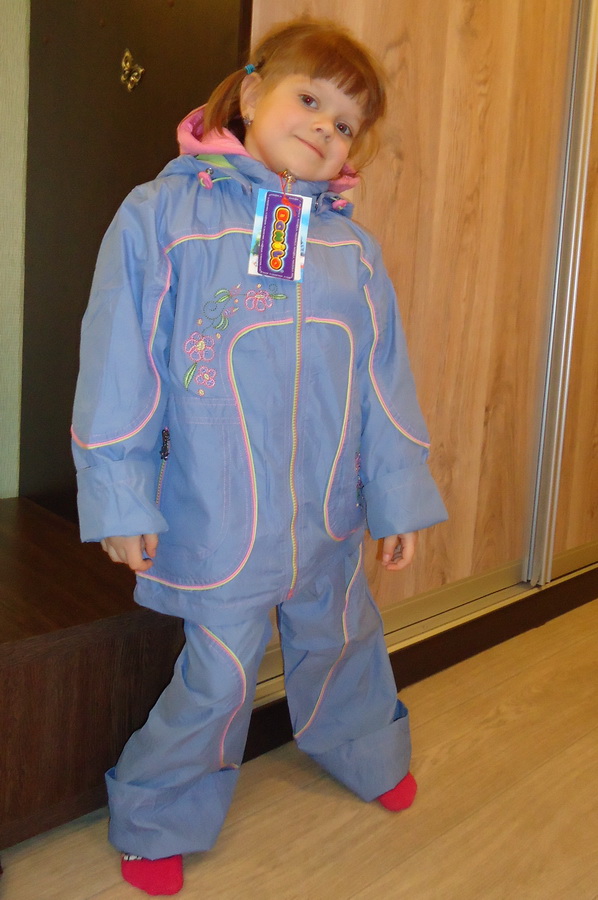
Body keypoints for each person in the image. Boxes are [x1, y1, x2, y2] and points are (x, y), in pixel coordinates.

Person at [72, 17, 447, 897]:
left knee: (344, 640)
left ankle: (362, 748)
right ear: (249, 95)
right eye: (309, 99)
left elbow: (383, 382)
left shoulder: (353, 253)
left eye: (345, 123)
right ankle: (158, 813)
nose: (324, 127)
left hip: (326, 514)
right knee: (218, 677)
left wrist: (397, 495)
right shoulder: (163, 216)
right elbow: (120, 362)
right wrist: (122, 497)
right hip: (217, 513)